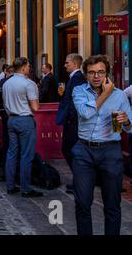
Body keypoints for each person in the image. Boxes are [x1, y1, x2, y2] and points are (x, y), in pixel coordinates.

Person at [72, 55, 132, 235]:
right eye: (91, 73)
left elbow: (130, 128)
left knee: (112, 204)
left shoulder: (120, 95)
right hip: (84, 151)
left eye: (100, 72)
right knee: (82, 203)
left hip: (110, 151)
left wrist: (126, 121)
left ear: (107, 73)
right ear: (86, 75)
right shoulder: (79, 91)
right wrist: (106, 93)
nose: (96, 76)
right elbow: (85, 113)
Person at [2, 57, 43, 198]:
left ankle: (10, 185)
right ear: (24, 67)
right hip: (25, 119)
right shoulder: (29, 83)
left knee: (12, 153)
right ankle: (25, 188)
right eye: (29, 66)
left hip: (11, 119)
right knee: (26, 155)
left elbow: (5, 103)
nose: (30, 68)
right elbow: (35, 107)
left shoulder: (7, 83)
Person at [55, 54, 85, 194]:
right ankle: (79, 179)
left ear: (74, 64)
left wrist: (70, 117)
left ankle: (80, 180)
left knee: (69, 149)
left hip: (74, 121)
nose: (64, 65)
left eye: (67, 63)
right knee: (69, 149)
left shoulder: (78, 78)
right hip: (71, 120)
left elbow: (76, 100)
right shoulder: (73, 77)